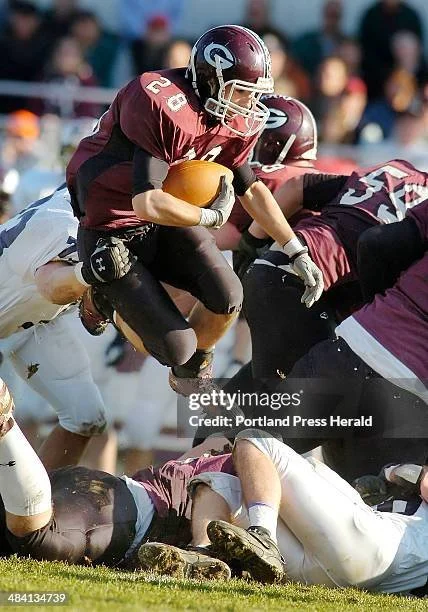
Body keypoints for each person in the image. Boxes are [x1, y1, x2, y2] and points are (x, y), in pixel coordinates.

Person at [66, 25, 324, 396]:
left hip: (166, 220)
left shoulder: (236, 117)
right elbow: (146, 201)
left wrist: (294, 248)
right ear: (211, 78)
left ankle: (194, 365)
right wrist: (210, 217)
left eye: (254, 95)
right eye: (240, 91)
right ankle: (101, 296)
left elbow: (248, 187)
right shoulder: (164, 104)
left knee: (228, 297)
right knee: (175, 347)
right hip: (111, 225)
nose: (249, 105)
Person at [201, 429, 428, 592]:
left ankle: (262, 535)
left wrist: (393, 473)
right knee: (214, 484)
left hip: (375, 548)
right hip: (336, 572)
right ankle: (203, 557)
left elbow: (417, 478)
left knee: (254, 439)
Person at [0, 185, 106, 470]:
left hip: (36, 319)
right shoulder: (63, 218)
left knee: (85, 416)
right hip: (16, 299)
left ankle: (39, 511)